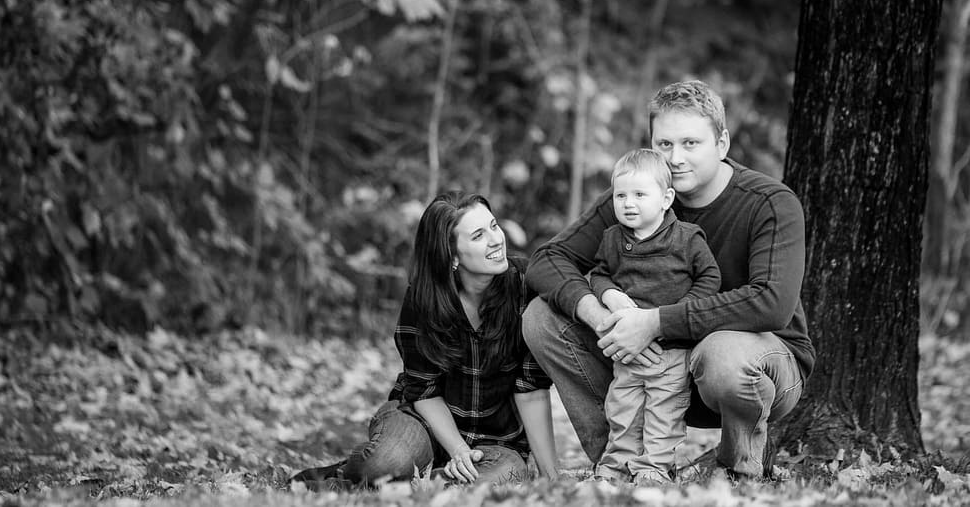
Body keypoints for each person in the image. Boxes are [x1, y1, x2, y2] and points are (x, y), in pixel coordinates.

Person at [522, 79, 815, 480]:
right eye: (664, 144)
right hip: (651, 369)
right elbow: (547, 259)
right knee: (541, 318)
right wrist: (601, 314)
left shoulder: (770, 204)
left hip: (754, 368)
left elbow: (771, 303)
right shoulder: (637, 197)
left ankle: (737, 468)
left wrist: (654, 323)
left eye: (691, 143)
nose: (675, 158)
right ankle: (624, 463)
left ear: (723, 143)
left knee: (722, 355)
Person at [294, 192, 559, 489]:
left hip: (496, 440)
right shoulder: (425, 299)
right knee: (384, 462)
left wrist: (552, 478)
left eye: (494, 226)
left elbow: (531, 390)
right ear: (453, 256)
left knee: (508, 476)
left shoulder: (524, 287)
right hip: (423, 423)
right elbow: (424, 391)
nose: (496, 240)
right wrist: (457, 449)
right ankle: (381, 476)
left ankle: (395, 487)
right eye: (478, 235)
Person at [588, 148, 721, 484]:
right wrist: (610, 295)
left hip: (671, 349)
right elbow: (600, 274)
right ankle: (616, 466)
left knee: (664, 412)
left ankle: (653, 468)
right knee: (623, 409)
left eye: (639, 195)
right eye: (621, 195)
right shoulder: (613, 238)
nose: (628, 203)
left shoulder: (687, 238)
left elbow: (710, 278)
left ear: (666, 199)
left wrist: (682, 311)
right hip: (628, 350)